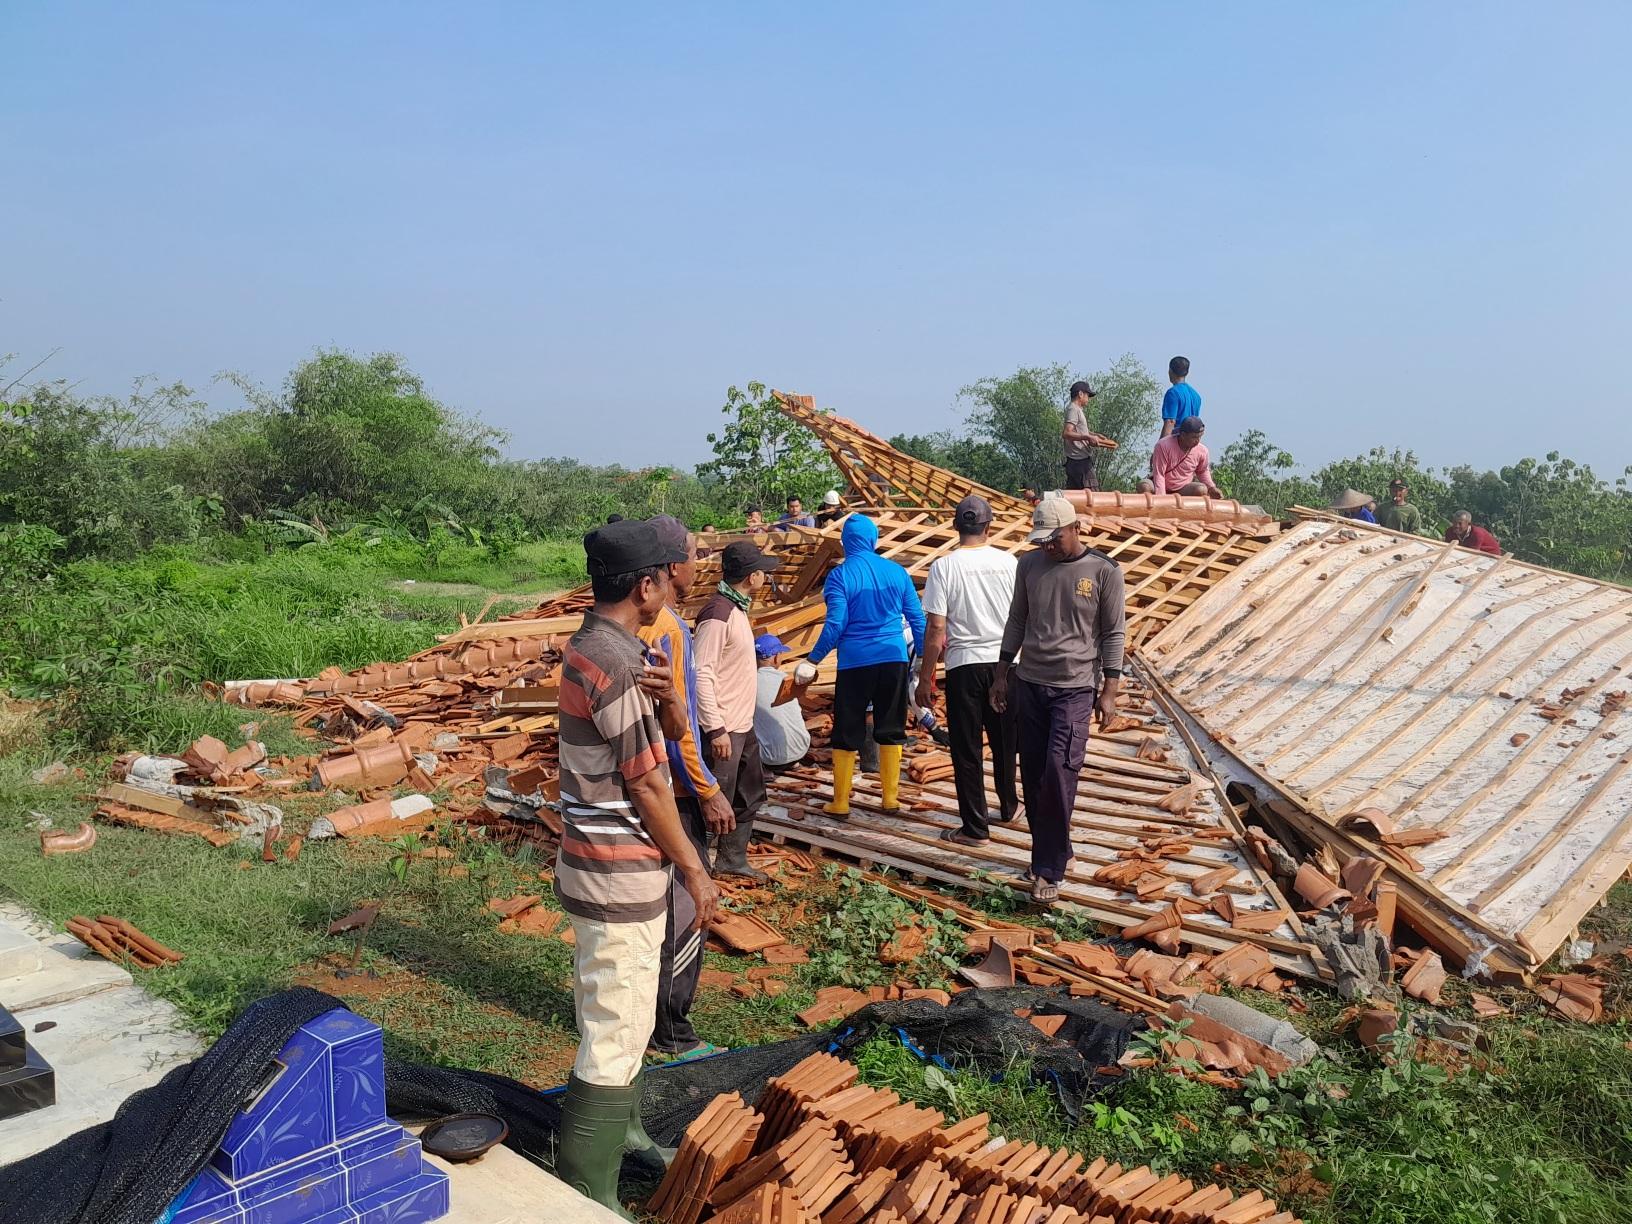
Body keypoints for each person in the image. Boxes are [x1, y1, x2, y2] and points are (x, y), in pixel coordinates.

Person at [553, 519, 721, 1211]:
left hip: (608, 865)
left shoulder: (607, 649)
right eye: (669, 576)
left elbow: (669, 739)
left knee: (626, 1017)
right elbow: (649, 784)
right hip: (617, 869)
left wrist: (674, 705)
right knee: (616, 1027)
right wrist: (696, 870)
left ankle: (622, 1133)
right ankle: (585, 1189)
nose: (673, 587)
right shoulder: (614, 660)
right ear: (645, 584)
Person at [992, 497, 1126, 904]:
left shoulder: (1103, 571)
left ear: (1075, 528)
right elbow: (1018, 618)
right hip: (1029, 681)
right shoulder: (1028, 565)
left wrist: (1110, 690)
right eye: (1042, 541)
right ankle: (1048, 852)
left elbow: (1113, 633)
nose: (1047, 547)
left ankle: (1050, 868)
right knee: (1032, 774)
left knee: (1058, 770)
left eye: (1054, 539)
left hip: (1074, 687)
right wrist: (1001, 673)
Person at [638, 516, 737, 1062]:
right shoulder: (671, 630)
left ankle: (645, 1015)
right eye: (696, 555)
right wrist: (707, 790)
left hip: (642, 790)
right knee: (685, 909)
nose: (701, 566)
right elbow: (678, 730)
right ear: (674, 567)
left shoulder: (630, 625)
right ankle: (671, 1030)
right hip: (674, 792)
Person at [915, 495, 1020, 846]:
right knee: (1006, 741)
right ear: (989, 527)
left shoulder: (944, 568)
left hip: (965, 666)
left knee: (967, 748)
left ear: (956, 526)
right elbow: (1025, 618)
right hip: (1007, 664)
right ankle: (1009, 807)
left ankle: (975, 828)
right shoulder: (1010, 563)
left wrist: (925, 677)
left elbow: (935, 630)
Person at [808, 514, 926, 816]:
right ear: (874, 540)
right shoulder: (897, 572)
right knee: (891, 727)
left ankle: (841, 802)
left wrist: (813, 659)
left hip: (854, 663)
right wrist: (923, 656)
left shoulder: (840, 576)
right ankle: (890, 799)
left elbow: (836, 623)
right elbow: (916, 618)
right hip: (893, 659)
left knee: (847, 730)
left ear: (846, 542)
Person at [693, 540, 782, 881]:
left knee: (749, 793)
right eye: (763, 571)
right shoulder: (718, 614)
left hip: (742, 725)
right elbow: (703, 672)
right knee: (713, 801)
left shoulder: (736, 609)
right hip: (724, 727)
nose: (765, 576)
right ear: (752, 576)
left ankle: (732, 860)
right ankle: (696, 870)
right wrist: (715, 728)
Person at [753, 633, 813, 769]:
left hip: (770, 758)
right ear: (776, 658)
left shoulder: (748, 682)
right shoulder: (787, 680)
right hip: (801, 749)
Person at [1140, 417, 1222, 497]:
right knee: (1144, 486)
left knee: (1201, 489)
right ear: (1183, 435)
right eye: (1194, 437)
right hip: (1158, 485)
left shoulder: (1202, 451)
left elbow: (1202, 471)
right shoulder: (1163, 446)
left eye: (1200, 436)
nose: (1198, 440)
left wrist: (1211, 488)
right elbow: (1159, 474)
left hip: (1182, 488)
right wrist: (1162, 499)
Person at [1062, 380, 1114, 491]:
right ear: (1080, 394)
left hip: (1077, 462)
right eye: (1087, 395)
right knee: (1092, 496)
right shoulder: (1073, 409)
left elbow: (1078, 430)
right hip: (1080, 462)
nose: (1088, 399)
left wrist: (1094, 435)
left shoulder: (1076, 410)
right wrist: (1087, 437)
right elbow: (1067, 433)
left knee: (1076, 497)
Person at [1159, 356, 1202, 438]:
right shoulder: (1196, 396)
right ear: (1187, 372)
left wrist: (1161, 447)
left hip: (1176, 442)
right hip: (1191, 442)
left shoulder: (1173, 393)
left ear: (1170, 371)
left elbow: (1170, 422)